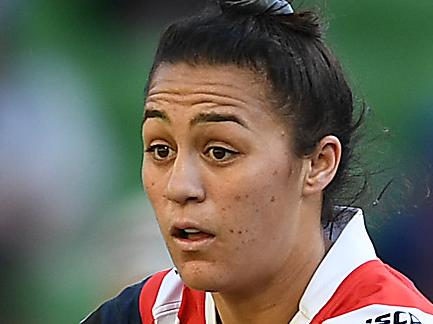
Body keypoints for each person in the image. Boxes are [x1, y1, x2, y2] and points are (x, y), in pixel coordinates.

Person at [81, 0, 433, 323]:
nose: (179, 187)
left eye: (220, 151)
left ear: (319, 163)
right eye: (161, 150)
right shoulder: (145, 313)